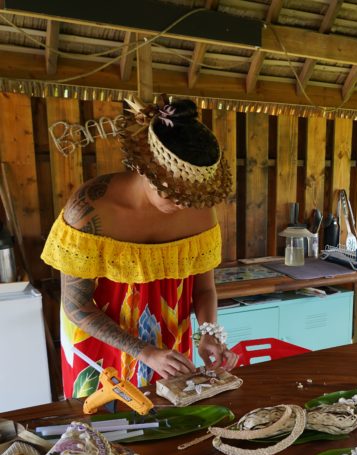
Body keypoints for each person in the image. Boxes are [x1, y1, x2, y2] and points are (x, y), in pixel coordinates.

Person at [41, 97, 238, 398]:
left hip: (169, 347)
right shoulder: (89, 211)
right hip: (100, 350)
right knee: (106, 432)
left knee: (170, 424)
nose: (185, 205)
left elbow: (203, 289)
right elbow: (75, 305)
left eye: (193, 197)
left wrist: (208, 333)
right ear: (146, 167)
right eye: (174, 194)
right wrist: (143, 351)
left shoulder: (199, 211)